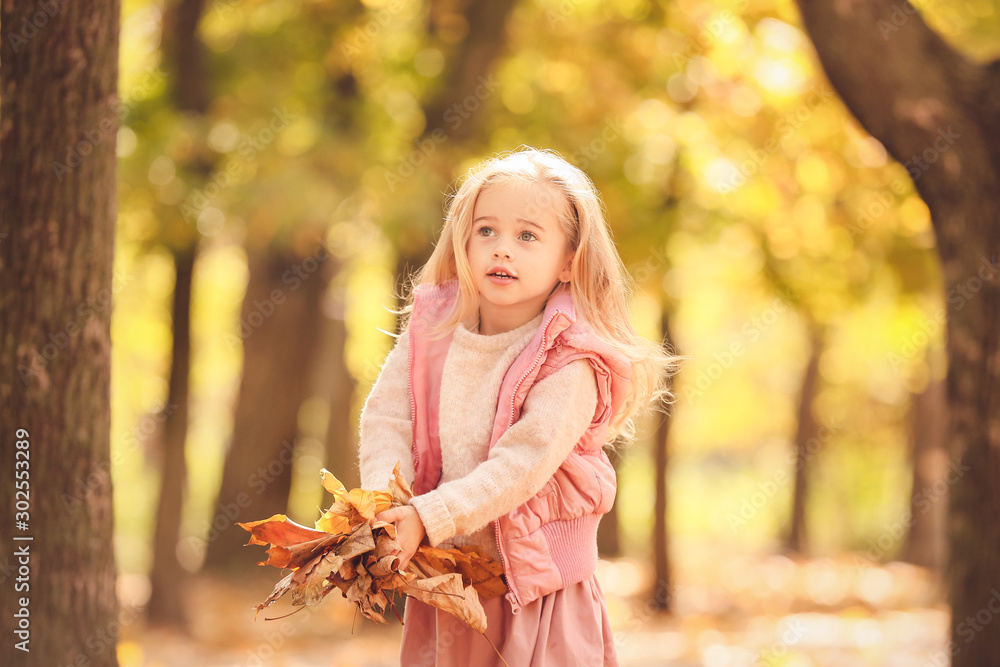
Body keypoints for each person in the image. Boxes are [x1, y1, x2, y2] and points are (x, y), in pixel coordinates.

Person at [357, 146, 683, 666]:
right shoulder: (432, 330)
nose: (501, 249)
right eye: (486, 231)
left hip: (535, 593)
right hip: (447, 583)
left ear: (569, 263)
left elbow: (521, 466)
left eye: (527, 236)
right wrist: (383, 506)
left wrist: (426, 513)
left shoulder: (571, 360)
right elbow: (387, 417)